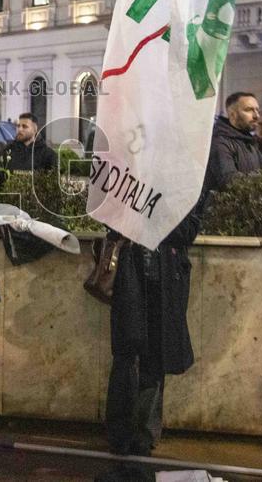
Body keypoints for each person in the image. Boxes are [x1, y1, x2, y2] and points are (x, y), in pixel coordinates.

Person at [104, 197, 205, 462]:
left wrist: (156, 216)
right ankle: (120, 433)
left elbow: (189, 230)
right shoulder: (128, 177)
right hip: (130, 274)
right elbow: (108, 218)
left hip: (166, 280)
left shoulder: (180, 185)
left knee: (156, 357)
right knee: (126, 353)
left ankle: (144, 436)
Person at [206, 91, 262, 191]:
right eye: (249, 110)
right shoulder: (219, 142)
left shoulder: (249, 141)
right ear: (233, 115)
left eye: (257, 110)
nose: (256, 116)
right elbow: (229, 182)